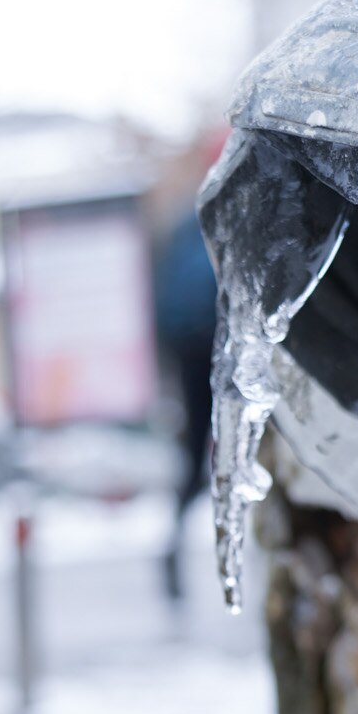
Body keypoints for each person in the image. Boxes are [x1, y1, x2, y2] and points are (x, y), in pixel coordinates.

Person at [152, 206, 219, 604]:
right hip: (221, 345)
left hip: (189, 355)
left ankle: (173, 547)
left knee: (194, 462)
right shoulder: (233, 208)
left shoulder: (180, 228)